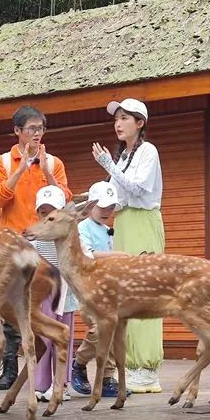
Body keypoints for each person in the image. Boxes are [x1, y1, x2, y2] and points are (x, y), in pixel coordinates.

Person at [0, 105, 71, 390]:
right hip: (13, 243)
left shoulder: (54, 162)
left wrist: (46, 171)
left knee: (43, 304)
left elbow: (64, 199)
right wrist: (21, 168)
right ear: (17, 131)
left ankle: (44, 373)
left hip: (46, 243)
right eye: (32, 128)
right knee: (9, 305)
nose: (37, 134)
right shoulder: (2, 161)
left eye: (41, 128)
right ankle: (9, 366)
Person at [91, 98, 165, 394]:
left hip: (143, 222)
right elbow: (113, 195)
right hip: (123, 223)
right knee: (126, 296)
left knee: (146, 293)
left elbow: (137, 188)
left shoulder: (148, 151)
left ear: (140, 123)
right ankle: (130, 366)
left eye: (124, 118)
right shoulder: (122, 156)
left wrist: (108, 164)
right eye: (116, 119)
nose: (118, 124)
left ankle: (147, 370)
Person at [71, 181, 130, 397]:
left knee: (113, 330)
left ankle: (107, 378)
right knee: (100, 328)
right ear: (90, 206)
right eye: (102, 207)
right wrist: (120, 256)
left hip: (109, 289)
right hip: (88, 289)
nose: (107, 211)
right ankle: (78, 363)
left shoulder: (108, 231)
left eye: (111, 207)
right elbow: (87, 255)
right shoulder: (81, 228)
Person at [29, 185, 76, 402]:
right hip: (42, 294)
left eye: (52, 213)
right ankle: (39, 384)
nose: (47, 217)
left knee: (63, 336)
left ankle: (61, 384)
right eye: (43, 212)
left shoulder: (69, 237)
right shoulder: (33, 239)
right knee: (43, 336)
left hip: (66, 292)